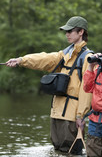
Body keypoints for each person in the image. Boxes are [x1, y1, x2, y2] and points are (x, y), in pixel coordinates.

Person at [6, 16, 93, 155]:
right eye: (66, 31)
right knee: (58, 151)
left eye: (70, 31)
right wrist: (21, 60)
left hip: (71, 117)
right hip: (56, 113)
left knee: (70, 152)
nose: (67, 34)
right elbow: (43, 58)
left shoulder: (88, 58)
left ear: (81, 32)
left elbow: (86, 90)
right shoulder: (65, 55)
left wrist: (80, 116)